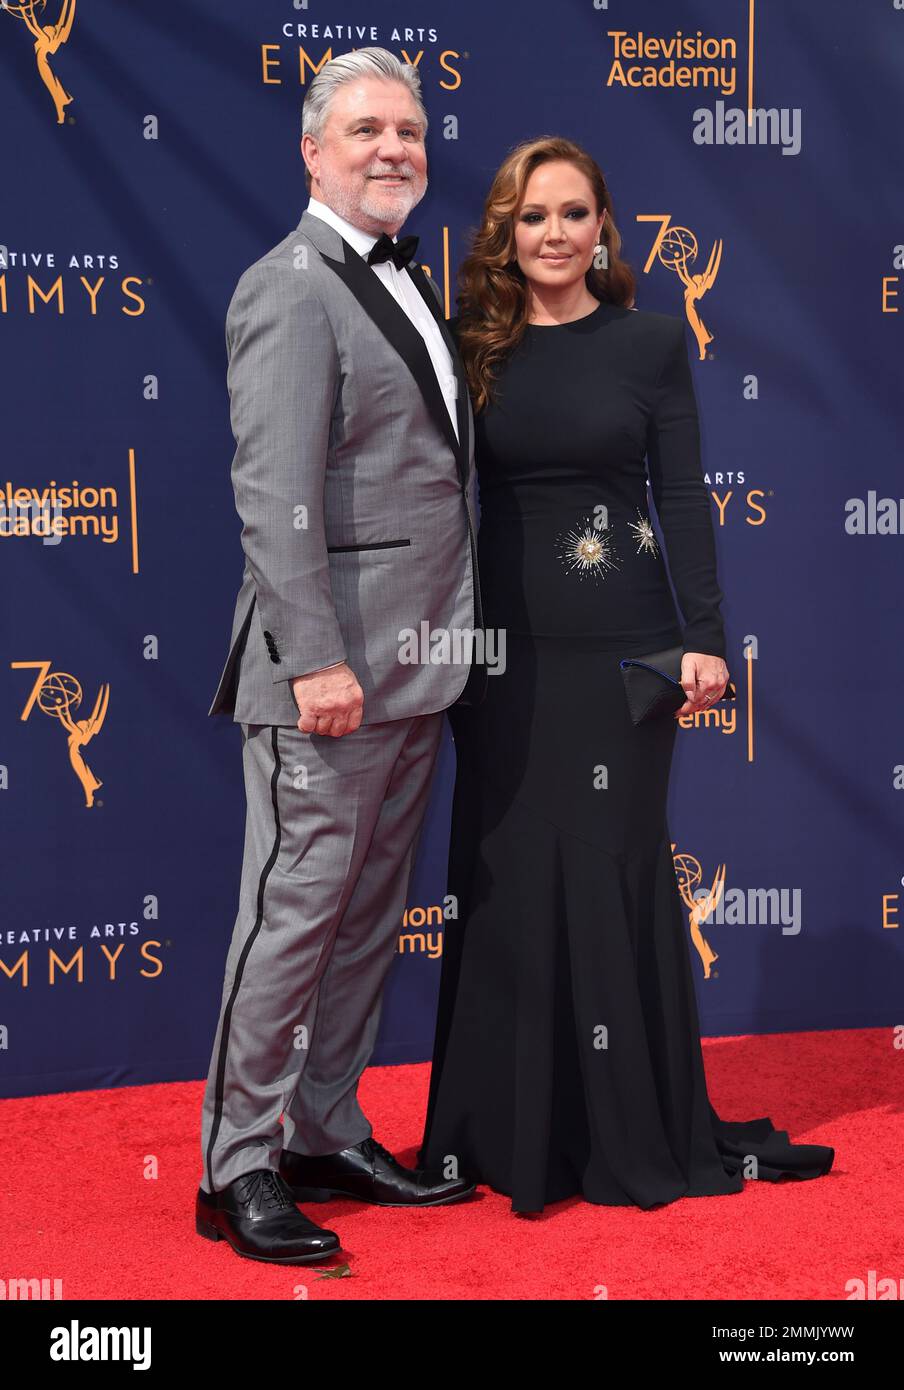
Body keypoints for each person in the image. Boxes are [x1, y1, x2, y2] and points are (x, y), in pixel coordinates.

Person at [418, 137, 834, 1213]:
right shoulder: (471, 345)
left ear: (605, 223)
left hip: (624, 650)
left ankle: (626, 1126)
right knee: (507, 874)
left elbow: (684, 495)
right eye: (531, 216)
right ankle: (504, 1138)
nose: (553, 234)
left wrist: (705, 634)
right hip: (503, 656)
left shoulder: (650, 343)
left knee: (612, 872)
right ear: (504, 234)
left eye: (572, 212)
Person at [197, 47, 485, 1265]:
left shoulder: (416, 277)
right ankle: (235, 1162)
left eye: (410, 131)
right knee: (295, 918)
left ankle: (324, 1126)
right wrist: (315, 656)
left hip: (417, 666)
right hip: (329, 676)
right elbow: (274, 497)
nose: (392, 150)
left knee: (370, 916)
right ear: (311, 151)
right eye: (365, 128)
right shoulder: (288, 285)